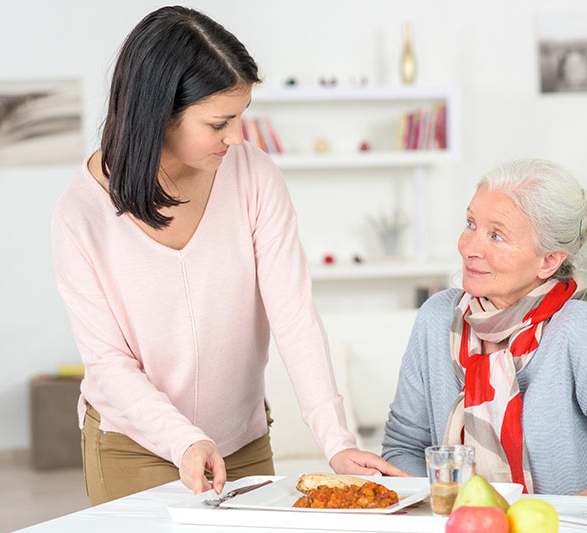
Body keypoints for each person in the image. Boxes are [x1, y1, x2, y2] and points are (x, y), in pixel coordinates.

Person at [51, 6, 403, 506]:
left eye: (242, 117)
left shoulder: (255, 177)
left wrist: (337, 441)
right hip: (133, 447)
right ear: (159, 114)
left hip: (241, 443)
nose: (237, 137)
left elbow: (294, 316)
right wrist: (184, 440)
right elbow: (108, 362)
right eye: (220, 122)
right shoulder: (80, 212)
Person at [382, 159, 587, 496]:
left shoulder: (580, 331)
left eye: (496, 235)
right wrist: (460, 513)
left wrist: (538, 522)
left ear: (549, 261)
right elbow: (401, 450)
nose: (469, 247)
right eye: (470, 223)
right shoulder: (436, 318)